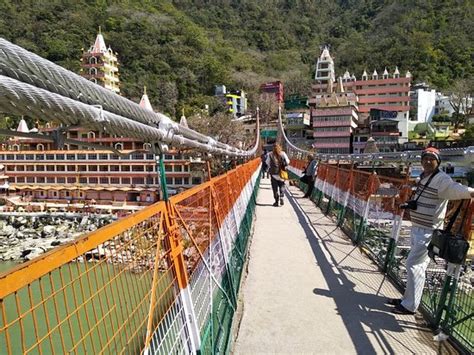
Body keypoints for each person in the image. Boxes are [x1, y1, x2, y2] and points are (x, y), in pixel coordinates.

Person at [389, 147, 474, 315]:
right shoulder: (424, 177)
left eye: (431, 159)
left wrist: (471, 192)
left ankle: (410, 306)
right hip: (417, 227)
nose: (428, 161)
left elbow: (456, 189)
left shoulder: (441, 179)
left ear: (438, 162)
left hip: (428, 230)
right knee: (415, 265)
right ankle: (407, 300)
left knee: (414, 265)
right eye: (425, 158)